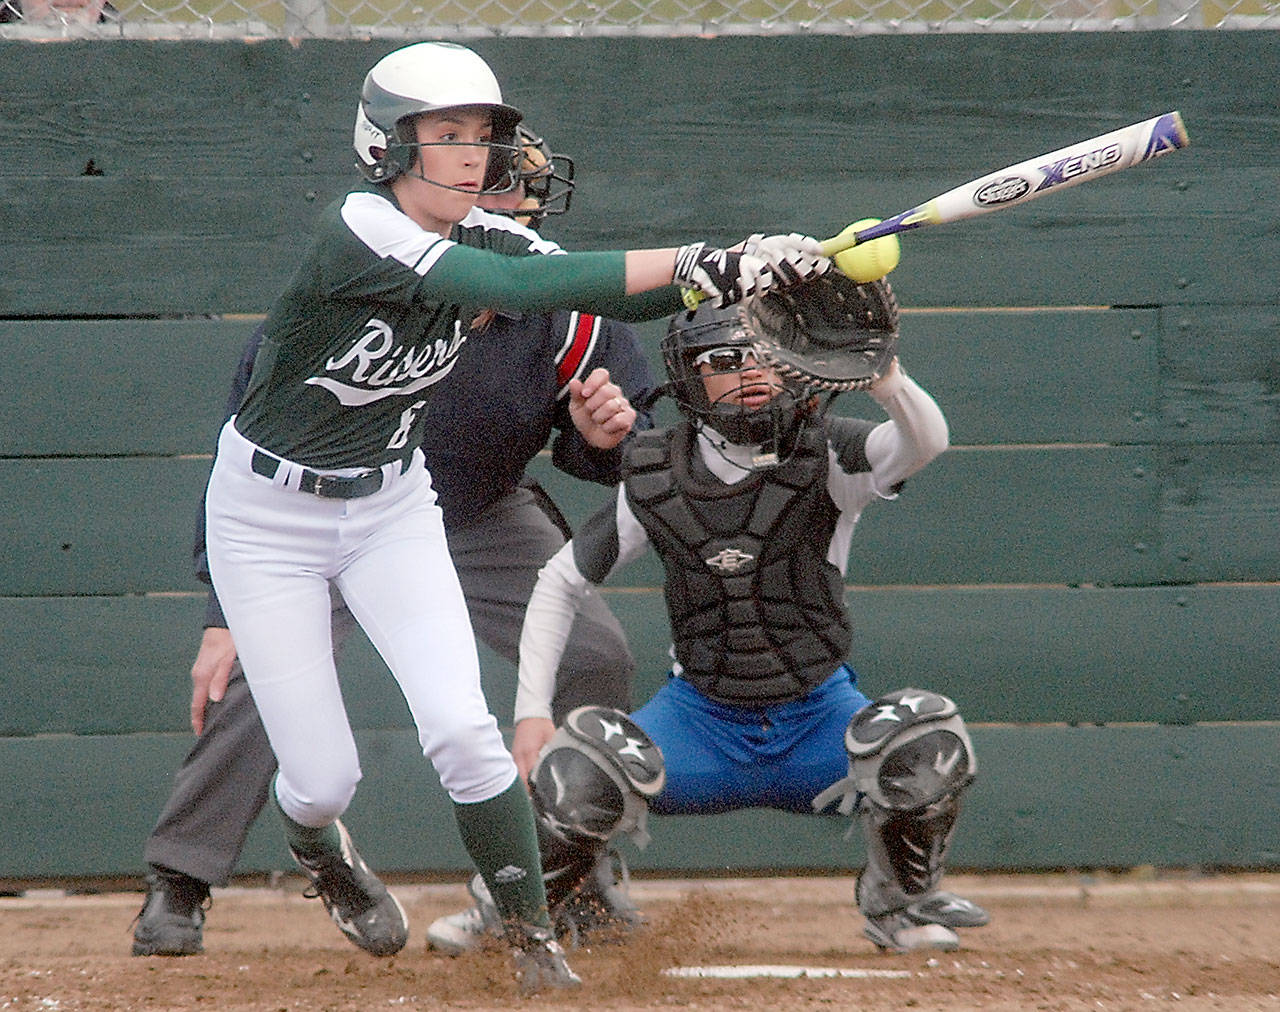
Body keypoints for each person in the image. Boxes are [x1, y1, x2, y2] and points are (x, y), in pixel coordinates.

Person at [194, 39, 827, 993]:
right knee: (323, 777)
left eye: (480, 137)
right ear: (387, 146)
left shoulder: (499, 236)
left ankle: (534, 936)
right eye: (443, 136)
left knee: (463, 730)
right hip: (267, 520)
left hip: (391, 507)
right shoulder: (360, 229)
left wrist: (742, 272)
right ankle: (316, 843)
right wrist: (709, 255)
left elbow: (585, 281)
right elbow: (509, 291)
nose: (469, 155)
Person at [132, 125, 654, 961]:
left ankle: (573, 863)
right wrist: (221, 605)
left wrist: (604, 436)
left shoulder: (559, 306)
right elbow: (249, 446)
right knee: (254, 685)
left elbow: (621, 446)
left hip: (475, 512)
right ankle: (181, 880)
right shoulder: (361, 276)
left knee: (593, 654)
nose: (510, 210)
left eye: (518, 191)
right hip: (304, 518)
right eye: (489, 189)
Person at [428, 272, 991, 958]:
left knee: (926, 734)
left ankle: (899, 903)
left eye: (763, 356)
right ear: (688, 378)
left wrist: (885, 376)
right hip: (701, 728)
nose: (748, 373)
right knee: (579, 759)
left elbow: (925, 441)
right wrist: (533, 709)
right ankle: (524, 911)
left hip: (818, 724)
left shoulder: (830, 451)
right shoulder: (658, 473)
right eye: (722, 362)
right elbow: (559, 581)